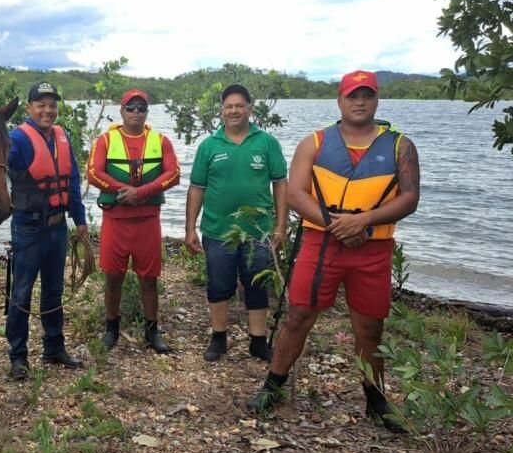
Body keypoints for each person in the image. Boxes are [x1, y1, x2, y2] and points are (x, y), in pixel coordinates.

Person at [247, 70, 420, 432]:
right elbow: (295, 194)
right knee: (298, 317)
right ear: (339, 101)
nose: (359, 102)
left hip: (373, 248)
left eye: (367, 96)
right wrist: (338, 224)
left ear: (376, 100)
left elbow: (409, 198)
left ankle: (376, 400)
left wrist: (365, 221)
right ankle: (272, 386)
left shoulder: (400, 146)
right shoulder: (315, 143)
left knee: (370, 327)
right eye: (352, 96)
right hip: (322, 243)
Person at [184, 83, 288, 363]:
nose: (234, 111)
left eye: (239, 106)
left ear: (249, 109)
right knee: (219, 286)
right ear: (222, 111)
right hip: (218, 230)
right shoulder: (209, 146)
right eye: (228, 106)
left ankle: (258, 341)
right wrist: (190, 228)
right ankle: (218, 337)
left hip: (258, 231)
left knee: (256, 285)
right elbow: (196, 188)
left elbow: (280, 184)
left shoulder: (267, 143)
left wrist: (281, 226)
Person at [6, 81, 89, 381]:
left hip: (57, 228)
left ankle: (54, 347)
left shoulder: (61, 136)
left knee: (53, 291)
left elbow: (73, 182)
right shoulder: (17, 139)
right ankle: (18, 356)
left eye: (52, 104)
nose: (47, 110)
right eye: (41, 104)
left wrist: (80, 221)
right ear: (29, 108)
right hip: (28, 228)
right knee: (22, 293)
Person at [88, 89, 180, 353]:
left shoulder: (160, 140)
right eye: (131, 108)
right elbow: (94, 173)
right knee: (113, 276)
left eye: (141, 108)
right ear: (122, 111)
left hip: (148, 221)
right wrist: (123, 191)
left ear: (147, 112)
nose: (136, 113)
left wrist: (141, 193)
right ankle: (111, 328)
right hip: (116, 219)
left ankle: (152, 331)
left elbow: (173, 173)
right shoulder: (106, 140)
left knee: (149, 279)